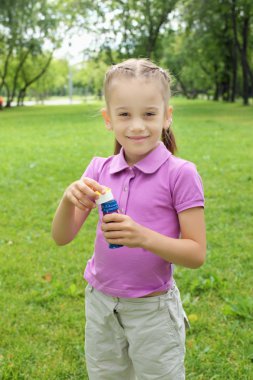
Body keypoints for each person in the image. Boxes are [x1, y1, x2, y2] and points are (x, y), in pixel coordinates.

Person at [52, 58, 206, 380]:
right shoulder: (98, 170)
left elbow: (196, 254)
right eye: (124, 114)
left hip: (153, 312)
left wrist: (142, 236)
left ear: (167, 116)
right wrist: (68, 200)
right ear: (109, 119)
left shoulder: (181, 174)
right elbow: (61, 236)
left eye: (149, 114)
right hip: (101, 306)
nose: (137, 126)